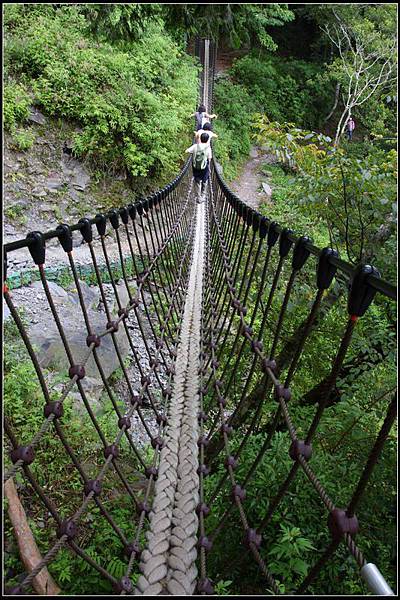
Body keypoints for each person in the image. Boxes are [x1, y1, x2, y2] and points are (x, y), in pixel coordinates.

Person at [185, 132, 212, 203]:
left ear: (200, 138)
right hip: (204, 168)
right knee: (205, 181)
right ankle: (203, 195)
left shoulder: (195, 146)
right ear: (207, 140)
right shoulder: (208, 148)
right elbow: (209, 158)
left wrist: (193, 153)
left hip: (195, 168)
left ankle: (199, 198)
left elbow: (187, 151)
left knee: (197, 183)